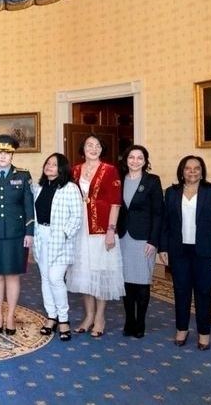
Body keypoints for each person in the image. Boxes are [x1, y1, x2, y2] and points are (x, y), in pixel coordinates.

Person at [159, 155, 211, 350]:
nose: (192, 171)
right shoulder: (171, 193)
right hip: (179, 250)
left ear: (202, 171)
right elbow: (166, 224)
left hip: (205, 251)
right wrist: (163, 247)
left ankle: (204, 333)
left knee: (204, 292)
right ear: (182, 171)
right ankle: (182, 329)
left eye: (196, 168)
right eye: (188, 168)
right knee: (181, 291)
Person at [67, 134, 124, 338]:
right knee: (84, 274)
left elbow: (116, 202)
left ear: (102, 149)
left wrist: (111, 230)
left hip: (101, 230)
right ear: (83, 148)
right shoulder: (74, 170)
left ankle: (100, 317)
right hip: (78, 230)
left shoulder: (110, 170)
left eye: (97, 145)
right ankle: (88, 316)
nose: (93, 148)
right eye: (89, 145)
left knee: (100, 273)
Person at [0, 135, 34, 336]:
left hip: (16, 234)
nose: (2, 156)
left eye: (6, 153)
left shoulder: (23, 175)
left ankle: (11, 315)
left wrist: (29, 232)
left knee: (13, 276)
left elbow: (29, 206)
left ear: (12, 154)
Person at [32, 153, 83, 341]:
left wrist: (63, 234)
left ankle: (64, 319)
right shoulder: (38, 188)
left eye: (54, 164)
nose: (49, 167)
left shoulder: (70, 188)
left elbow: (76, 217)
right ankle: (51, 317)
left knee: (55, 278)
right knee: (45, 278)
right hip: (41, 237)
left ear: (62, 168)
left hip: (61, 240)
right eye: (47, 163)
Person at [117, 145, 163, 339]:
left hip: (144, 239)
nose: (135, 161)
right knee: (127, 282)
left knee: (142, 283)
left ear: (145, 161)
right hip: (123, 238)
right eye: (131, 157)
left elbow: (158, 213)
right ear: (126, 159)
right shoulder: (118, 180)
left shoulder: (152, 181)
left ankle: (141, 322)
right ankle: (129, 321)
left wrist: (153, 241)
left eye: (139, 158)